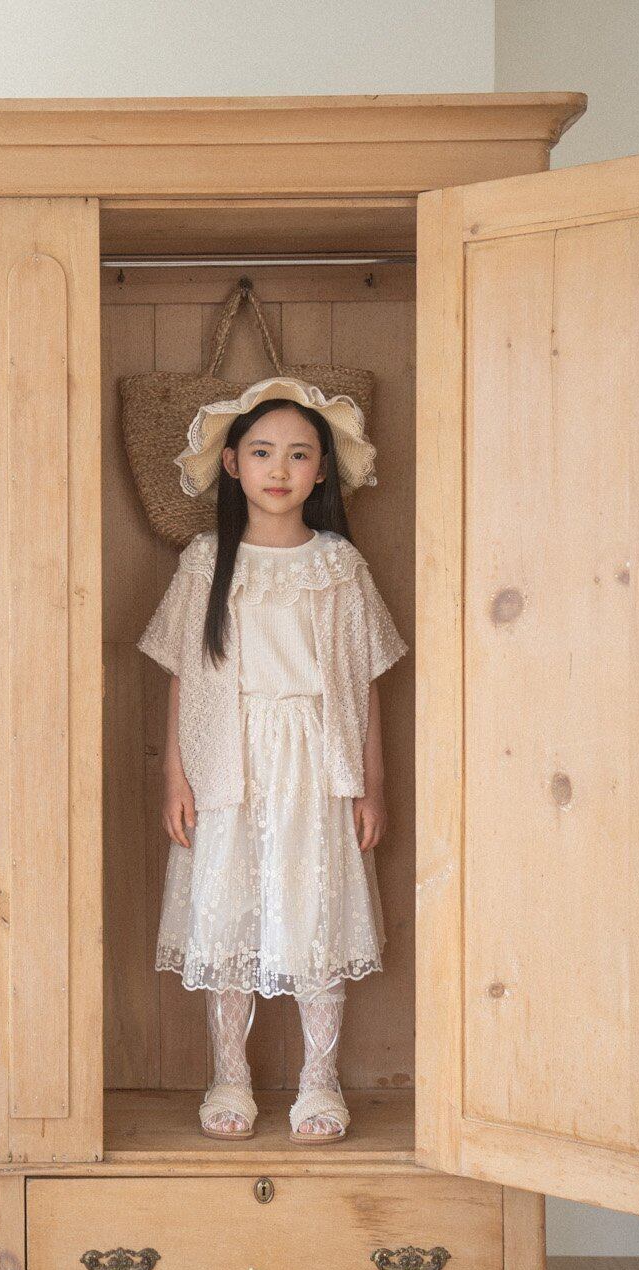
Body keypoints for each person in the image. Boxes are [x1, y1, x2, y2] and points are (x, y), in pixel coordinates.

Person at [136, 375, 408, 1144]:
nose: (279, 468)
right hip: (228, 759)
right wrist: (175, 776)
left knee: (315, 912)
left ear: (321, 470)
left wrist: (373, 787)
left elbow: (364, 684)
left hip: (316, 767)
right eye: (261, 452)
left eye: (298, 454)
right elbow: (184, 675)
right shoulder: (204, 561)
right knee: (226, 914)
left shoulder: (339, 565)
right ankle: (229, 1073)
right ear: (232, 464)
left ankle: (321, 1079)